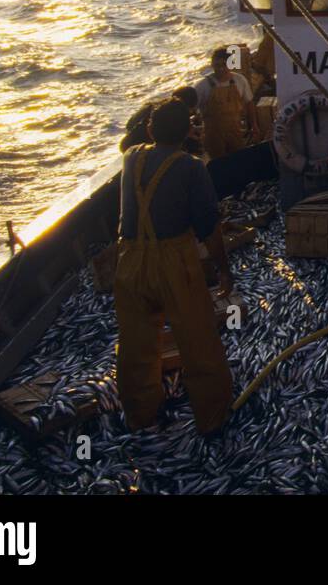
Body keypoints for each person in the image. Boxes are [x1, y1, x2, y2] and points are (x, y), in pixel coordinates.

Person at [114, 98, 234, 435]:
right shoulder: (192, 167)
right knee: (198, 340)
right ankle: (212, 416)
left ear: (151, 129)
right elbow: (208, 226)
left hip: (130, 261)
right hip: (172, 262)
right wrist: (224, 270)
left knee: (136, 343)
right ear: (188, 133)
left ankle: (140, 417)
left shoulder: (130, 157)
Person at [195, 46, 259, 159]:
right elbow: (192, 110)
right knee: (218, 166)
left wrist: (254, 125)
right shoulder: (202, 86)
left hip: (235, 132)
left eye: (224, 65)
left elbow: (249, 103)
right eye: (216, 65)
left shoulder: (240, 80)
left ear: (230, 64)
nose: (220, 69)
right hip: (213, 136)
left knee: (238, 161)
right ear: (212, 65)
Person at [119, 86, 203, 154]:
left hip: (127, 146)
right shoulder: (172, 118)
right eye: (189, 111)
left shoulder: (151, 106)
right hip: (140, 150)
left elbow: (129, 125)